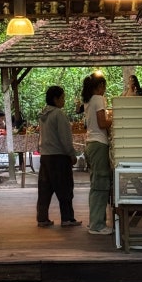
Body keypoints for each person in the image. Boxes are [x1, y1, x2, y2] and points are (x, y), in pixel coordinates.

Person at [36, 85, 81, 228]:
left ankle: (42, 218)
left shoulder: (43, 114)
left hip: (45, 155)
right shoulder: (59, 114)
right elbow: (65, 138)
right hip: (59, 156)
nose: (64, 101)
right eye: (62, 98)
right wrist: (71, 154)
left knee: (45, 189)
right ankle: (67, 218)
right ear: (55, 99)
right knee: (65, 187)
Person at [82, 73, 113, 235]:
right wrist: (116, 119)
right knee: (101, 184)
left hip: (91, 144)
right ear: (100, 86)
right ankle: (97, 225)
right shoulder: (98, 99)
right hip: (99, 143)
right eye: (104, 87)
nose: (104, 90)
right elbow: (102, 123)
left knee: (96, 185)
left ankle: (95, 220)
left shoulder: (88, 100)